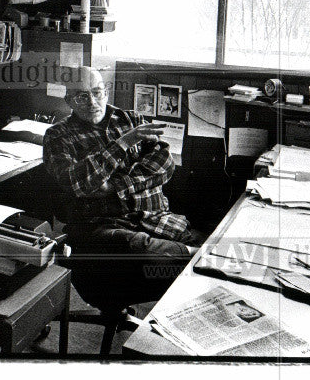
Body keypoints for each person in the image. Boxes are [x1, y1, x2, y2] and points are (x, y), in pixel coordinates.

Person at [43, 67, 202, 279]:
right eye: (82, 96)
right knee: (140, 250)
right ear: (69, 100)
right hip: (106, 226)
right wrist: (125, 142)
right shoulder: (58, 135)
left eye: (97, 92)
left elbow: (165, 165)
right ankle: (191, 256)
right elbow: (79, 184)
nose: (92, 102)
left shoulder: (131, 120)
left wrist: (115, 186)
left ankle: (190, 255)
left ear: (106, 93)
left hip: (156, 218)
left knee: (207, 253)